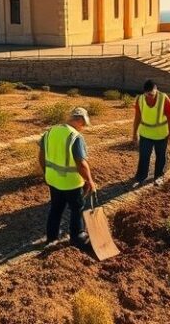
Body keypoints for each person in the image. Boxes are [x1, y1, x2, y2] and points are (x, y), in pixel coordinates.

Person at [38, 106, 97, 247]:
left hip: (53, 180)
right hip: (71, 182)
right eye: (83, 124)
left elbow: (41, 155)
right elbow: (81, 163)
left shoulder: (50, 132)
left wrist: (46, 172)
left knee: (56, 209)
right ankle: (77, 237)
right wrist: (90, 181)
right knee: (77, 208)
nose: (83, 127)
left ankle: (52, 238)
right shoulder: (74, 136)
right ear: (79, 120)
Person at [132, 79, 170, 187]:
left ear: (156, 90)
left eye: (152, 94)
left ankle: (159, 176)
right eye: (147, 95)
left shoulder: (163, 98)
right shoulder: (140, 99)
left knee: (161, 157)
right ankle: (141, 176)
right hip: (145, 134)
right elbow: (137, 117)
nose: (149, 97)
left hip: (161, 135)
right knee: (144, 156)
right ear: (144, 92)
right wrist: (134, 133)